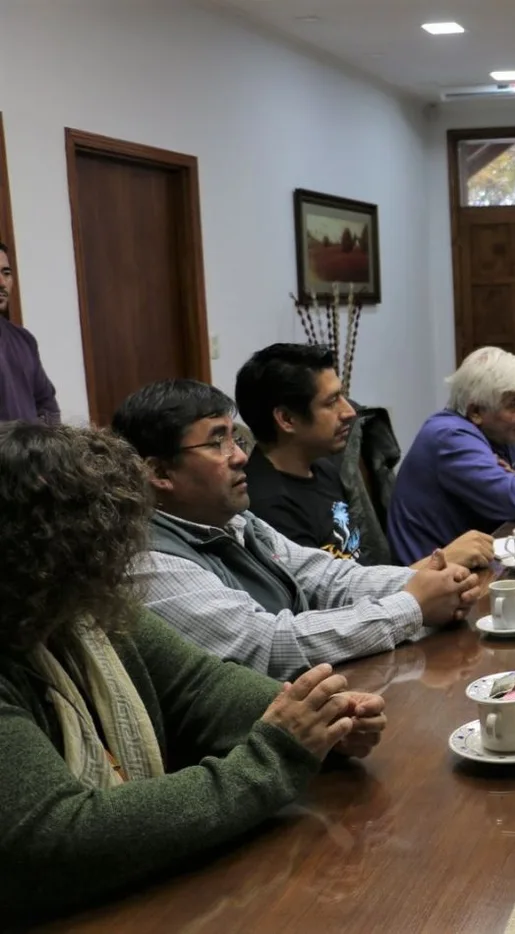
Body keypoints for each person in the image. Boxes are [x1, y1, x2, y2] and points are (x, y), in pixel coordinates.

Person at [0, 422, 388, 923]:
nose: (114, 561)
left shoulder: (74, 607)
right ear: (36, 555)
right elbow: (54, 838)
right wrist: (276, 754)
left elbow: (199, 687)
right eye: (96, 546)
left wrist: (321, 720)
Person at [111, 380, 481, 681]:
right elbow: (269, 646)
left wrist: (437, 584)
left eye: (234, 439)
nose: (239, 455)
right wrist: (411, 605)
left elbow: (329, 578)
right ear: (158, 473)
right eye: (216, 442)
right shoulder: (150, 562)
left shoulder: (236, 522)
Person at [234, 343, 493, 568]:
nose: (349, 412)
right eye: (331, 401)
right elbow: (330, 607)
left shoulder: (323, 468)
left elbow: (365, 576)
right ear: (287, 419)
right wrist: (442, 559)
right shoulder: (267, 506)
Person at [387, 347, 515, 565]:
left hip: (476, 562)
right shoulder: (450, 436)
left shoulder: (508, 430)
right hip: (432, 577)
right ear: (476, 412)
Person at [0, 242, 61, 425]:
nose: (2, 283)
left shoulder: (24, 340)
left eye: (6, 273)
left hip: (31, 452)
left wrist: (41, 446)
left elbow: (46, 403)